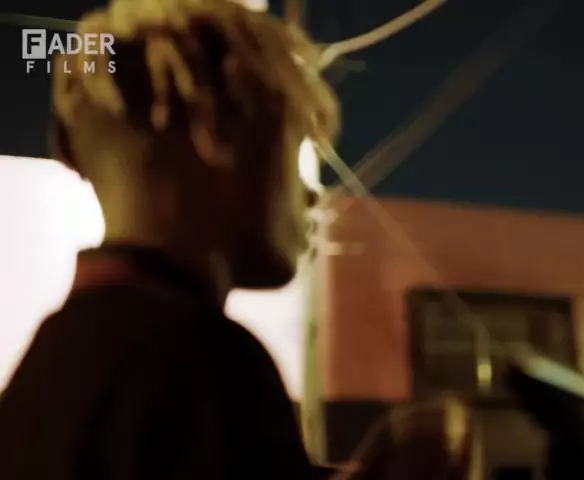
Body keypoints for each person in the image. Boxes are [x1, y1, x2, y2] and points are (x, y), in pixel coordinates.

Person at [0, 0, 338, 478]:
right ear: (214, 131)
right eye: (293, 146)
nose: (312, 193)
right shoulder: (206, 364)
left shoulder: (50, 367)